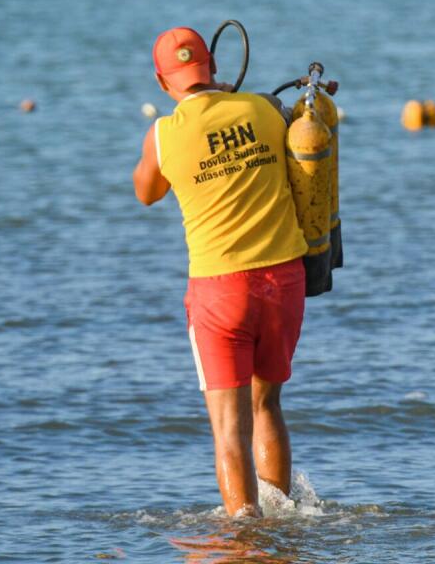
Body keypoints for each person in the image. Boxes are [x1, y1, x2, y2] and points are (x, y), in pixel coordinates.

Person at [132, 27, 308, 518]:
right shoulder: (264, 109)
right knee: (267, 405)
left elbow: (145, 192)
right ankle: (281, 517)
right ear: (212, 67)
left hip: (221, 291)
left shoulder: (164, 134)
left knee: (230, 428)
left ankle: (244, 535)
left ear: (162, 80)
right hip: (285, 281)